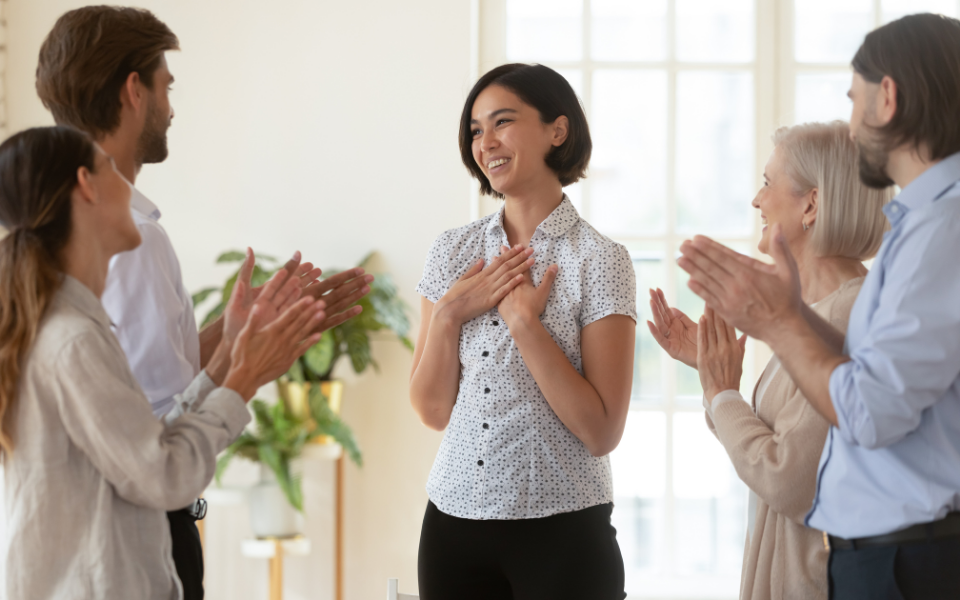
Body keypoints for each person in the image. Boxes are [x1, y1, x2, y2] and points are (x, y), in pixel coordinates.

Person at [34, 7, 374, 597]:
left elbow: (138, 382)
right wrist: (246, 370)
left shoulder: (80, 231)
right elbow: (157, 435)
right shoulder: (128, 240)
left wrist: (240, 332)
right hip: (139, 530)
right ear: (133, 92)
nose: (171, 107)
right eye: (166, 87)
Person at [676, 14, 960, 600]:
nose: (852, 128)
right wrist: (775, 317)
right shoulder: (923, 224)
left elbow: (868, 412)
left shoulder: (942, 228)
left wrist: (777, 326)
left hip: (907, 562)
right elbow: (869, 372)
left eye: (854, 100)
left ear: (889, 97)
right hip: (889, 557)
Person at [0, 126, 326, 599]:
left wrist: (224, 364)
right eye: (108, 167)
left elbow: (140, 452)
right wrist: (242, 378)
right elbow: (165, 475)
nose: (132, 187)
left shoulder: (71, 326)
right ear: (86, 186)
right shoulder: (70, 341)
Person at [409, 63, 636, 600]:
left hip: (564, 533)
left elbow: (602, 432)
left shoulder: (600, 260)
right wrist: (447, 317)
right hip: (451, 527)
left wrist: (524, 325)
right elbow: (431, 410)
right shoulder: (452, 251)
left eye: (502, 122)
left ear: (557, 131)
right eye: (475, 130)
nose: (485, 142)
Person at [649, 121, 891, 600]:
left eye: (766, 183)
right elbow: (771, 445)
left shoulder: (847, 312)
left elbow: (787, 477)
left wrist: (723, 394)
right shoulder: (818, 310)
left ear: (811, 205)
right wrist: (712, 369)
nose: (757, 201)